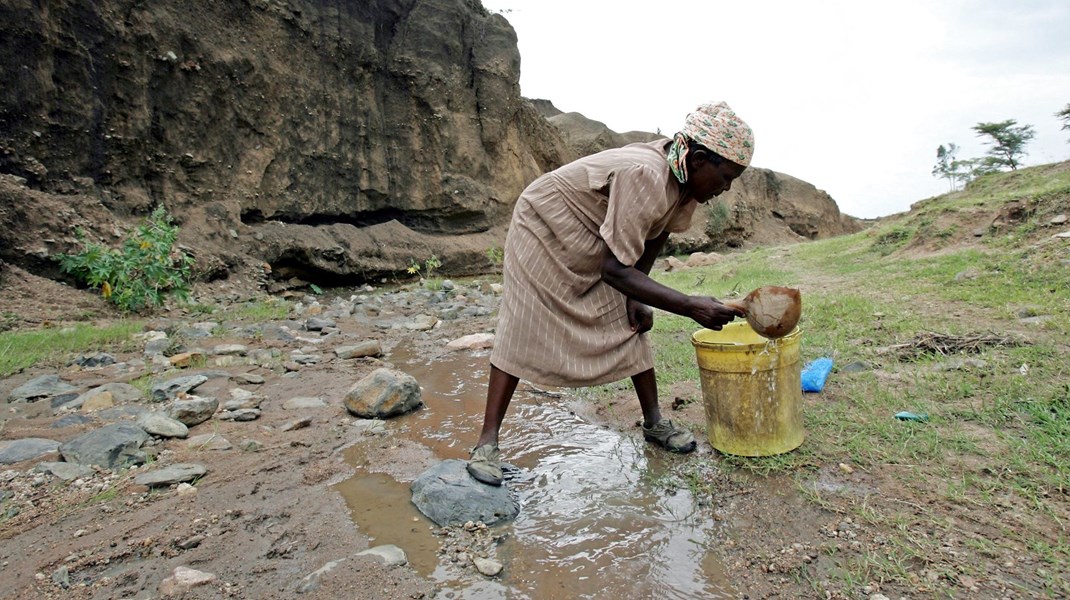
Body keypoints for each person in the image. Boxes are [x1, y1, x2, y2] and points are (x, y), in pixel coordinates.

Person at [467, 101, 754, 486]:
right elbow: (615, 270)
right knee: (524, 321)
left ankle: (654, 422)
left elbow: (656, 232)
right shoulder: (647, 174)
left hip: (595, 233)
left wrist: (639, 296)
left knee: (630, 318)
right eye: (727, 176)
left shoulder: (683, 178)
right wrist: (688, 305)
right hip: (544, 224)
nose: (727, 188)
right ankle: (487, 444)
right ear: (701, 159)